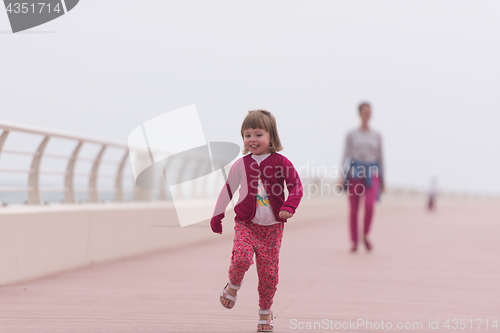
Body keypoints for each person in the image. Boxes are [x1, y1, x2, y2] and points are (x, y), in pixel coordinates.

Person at [210, 109, 303, 332]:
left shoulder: (282, 162)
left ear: (271, 136)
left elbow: (296, 187)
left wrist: (289, 207)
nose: (252, 139)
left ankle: (265, 312)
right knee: (241, 258)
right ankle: (233, 285)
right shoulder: (241, 164)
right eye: (247, 135)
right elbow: (228, 190)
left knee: (269, 274)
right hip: (246, 224)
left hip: (272, 229)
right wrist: (217, 215)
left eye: (258, 134)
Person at [339, 102, 385, 252]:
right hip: (355, 173)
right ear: (359, 114)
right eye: (365, 112)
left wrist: (383, 179)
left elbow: (381, 158)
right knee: (354, 209)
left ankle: (365, 235)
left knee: (370, 206)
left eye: (369, 112)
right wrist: (341, 175)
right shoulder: (351, 135)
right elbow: (345, 155)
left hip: (372, 174)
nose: (368, 114)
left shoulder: (377, 135)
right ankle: (354, 241)